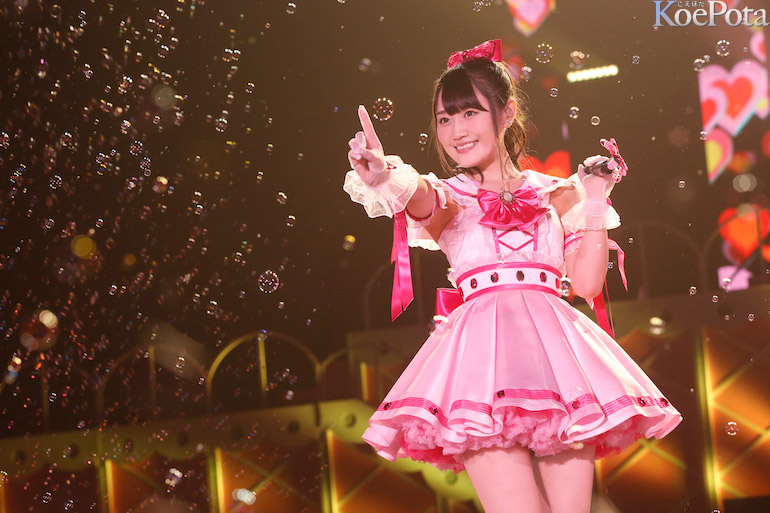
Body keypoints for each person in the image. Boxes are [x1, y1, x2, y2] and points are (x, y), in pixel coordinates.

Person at [342, 39, 681, 513]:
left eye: (470, 113)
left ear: (506, 113)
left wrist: (595, 197)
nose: (456, 130)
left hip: (559, 369)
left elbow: (586, 285)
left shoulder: (557, 193)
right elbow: (417, 194)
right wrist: (382, 174)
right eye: (445, 118)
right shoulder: (450, 196)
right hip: (480, 374)